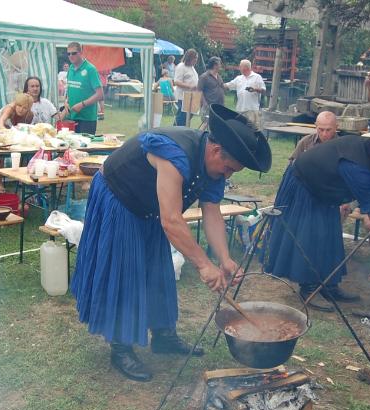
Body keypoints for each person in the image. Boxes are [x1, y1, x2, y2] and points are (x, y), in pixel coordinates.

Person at [72, 104, 272, 382]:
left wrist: (224, 259)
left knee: (159, 269)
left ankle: (164, 336)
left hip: (151, 207)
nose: (228, 175)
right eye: (228, 168)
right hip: (120, 196)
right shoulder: (173, 152)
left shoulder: (214, 168)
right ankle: (121, 347)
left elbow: (211, 209)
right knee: (126, 271)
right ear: (216, 151)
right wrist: (203, 265)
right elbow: (171, 221)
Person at [264, 120, 370, 311]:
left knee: (329, 235)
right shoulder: (356, 165)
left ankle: (328, 285)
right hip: (304, 185)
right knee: (310, 236)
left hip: (326, 191)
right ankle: (309, 287)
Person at [64, 42, 103, 134]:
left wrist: (82, 104)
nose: (71, 56)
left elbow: (100, 94)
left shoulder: (90, 69)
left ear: (81, 53)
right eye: (68, 53)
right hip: (71, 117)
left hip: (87, 118)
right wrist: (66, 101)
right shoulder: (70, 68)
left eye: (74, 53)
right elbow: (69, 89)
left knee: (84, 147)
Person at [224, 59, 266, 129]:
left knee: (253, 131)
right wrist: (217, 83)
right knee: (240, 130)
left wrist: (255, 89)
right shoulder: (238, 78)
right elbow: (228, 85)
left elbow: (264, 90)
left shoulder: (257, 77)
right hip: (240, 110)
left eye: (240, 66)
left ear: (246, 67)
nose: (239, 68)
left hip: (252, 110)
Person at [173, 49, 199, 127]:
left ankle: (183, 130)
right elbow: (177, 82)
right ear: (190, 58)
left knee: (188, 117)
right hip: (183, 97)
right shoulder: (181, 66)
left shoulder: (192, 68)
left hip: (192, 96)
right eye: (195, 58)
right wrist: (190, 86)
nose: (196, 60)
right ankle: (175, 131)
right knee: (182, 117)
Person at [197, 57, 225, 128]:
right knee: (205, 124)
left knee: (217, 125)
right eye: (220, 63)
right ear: (215, 65)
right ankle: (198, 137)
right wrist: (204, 103)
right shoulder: (204, 77)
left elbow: (222, 87)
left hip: (219, 105)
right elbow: (199, 91)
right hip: (209, 105)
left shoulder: (219, 76)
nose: (221, 65)